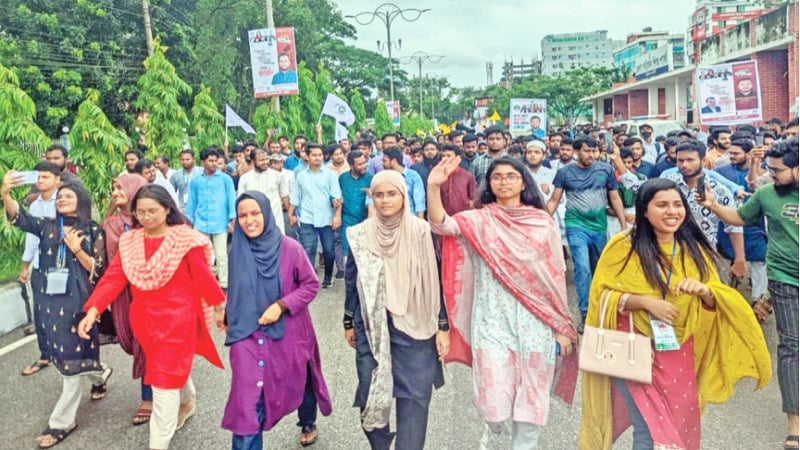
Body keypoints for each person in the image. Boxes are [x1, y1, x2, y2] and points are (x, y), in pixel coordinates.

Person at [579, 178, 772, 450]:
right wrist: (643, 301)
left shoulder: (692, 249)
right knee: (649, 427)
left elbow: (716, 299)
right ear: (644, 210)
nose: (672, 212)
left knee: (676, 425)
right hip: (630, 348)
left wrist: (704, 292)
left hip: (677, 351)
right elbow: (601, 296)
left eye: (677, 205)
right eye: (662, 205)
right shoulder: (622, 247)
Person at [428, 155, 578, 449]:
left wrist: (561, 325)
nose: (504, 181)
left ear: (524, 182)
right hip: (492, 319)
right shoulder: (480, 219)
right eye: (497, 177)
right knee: (494, 397)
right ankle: (492, 429)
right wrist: (433, 187)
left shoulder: (541, 222)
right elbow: (442, 226)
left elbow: (555, 275)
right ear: (489, 183)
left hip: (536, 319)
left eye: (511, 176)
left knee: (532, 393)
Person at [79, 184, 226, 450]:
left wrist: (219, 307)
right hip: (144, 321)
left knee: (163, 381)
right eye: (140, 212)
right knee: (164, 368)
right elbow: (114, 278)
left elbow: (204, 278)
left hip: (178, 321)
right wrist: (93, 309)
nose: (146, 217)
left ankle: (158, 443)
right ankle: (188, 400)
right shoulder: (131, 241)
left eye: (152, 211)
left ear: (168, 209)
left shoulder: (184, 239)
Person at [700, 138, 799, 450]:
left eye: (779, 170)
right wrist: (714, 205)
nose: (772, 175)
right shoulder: (767, 194)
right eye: (769, 168)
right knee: (791, 347)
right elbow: (740, 217)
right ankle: (794, 423)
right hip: (784, 279)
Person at [2, 174, 111, 449]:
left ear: (80, 201)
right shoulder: (48, 226)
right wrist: (5, 194)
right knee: (68, 352)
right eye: (60, 196)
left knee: (72, 355)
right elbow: (20, 218)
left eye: (68, 195)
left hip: (80, 302)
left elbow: (99, 272)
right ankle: (100, 375)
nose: (61, 198)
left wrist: (76, 249)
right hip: (52, 299)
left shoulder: (93, 230)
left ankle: (62, 422)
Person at [343, 170, 449, 450]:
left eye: (392, 194)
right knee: (371, 394)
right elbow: (353, 280)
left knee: (414, 397)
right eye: (379, 194)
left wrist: (442, 326)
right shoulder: (359, 234)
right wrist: (348, 320)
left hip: (415, 326)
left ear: (404, 196)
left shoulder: (420, 230)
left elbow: (436, 278)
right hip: (372, 326)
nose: (385, 200)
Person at [222, 192, 332, 449]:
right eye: (242, 216)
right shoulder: (236, 249)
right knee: (247, 402)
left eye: (255, 213)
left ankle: (307, 420)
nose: (249, 221)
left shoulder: (290, 248)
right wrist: (228, 313)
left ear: (267, 214)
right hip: (246, 335)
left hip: (289, 331)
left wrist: (281, 306)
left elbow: (310, 285)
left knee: (299, 378)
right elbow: (238, 288)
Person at [546, 137, 627, 332]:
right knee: (582, 268)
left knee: (600, 268)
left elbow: (614, 198)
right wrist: (539, 221)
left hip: (600, 227)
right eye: (586, 151)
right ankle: (585, 313)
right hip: (575, 225)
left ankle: (604, 309)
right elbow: (554, 200)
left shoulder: (605, 170)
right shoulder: (564, 173)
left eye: (594, 151)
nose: (591, 155)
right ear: (576, 152)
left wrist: (624, 225)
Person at [101, 173, 151, 426]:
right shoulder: (109, 224)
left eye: (121, 188)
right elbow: (102, 261)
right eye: (114, 188)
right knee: (131, 339)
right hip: (122, 293)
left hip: (148, 290)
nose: (116, 192)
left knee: (147, 342)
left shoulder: (151, 220)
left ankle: (149, 397)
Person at [19, 161, 60, 377]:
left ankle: (84, 364)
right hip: (39, 266)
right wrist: (26, 266)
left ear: (57, 179)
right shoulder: (35, 206)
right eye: (38, 177)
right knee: (40, 313)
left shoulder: (65, 201)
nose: (40, 181)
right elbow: (31, 239)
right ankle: (46, 354)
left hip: (60, 266)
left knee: (66, 312)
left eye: (45, 177)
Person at [289, 143, 342, 288]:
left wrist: (337, 216)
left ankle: (328, 277)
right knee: (308, 250)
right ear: (307, 156)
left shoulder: (330, 175)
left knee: (329, 250)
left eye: (320, 155)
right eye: (314, 155)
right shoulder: (301, 176)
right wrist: (291, 214)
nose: (317, 158)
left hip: (326, 219)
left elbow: (337, 197)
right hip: (307, 218)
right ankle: (309, 279)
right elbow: (295, 197)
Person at [185, 147, 237, 290]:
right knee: (201, 254)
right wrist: (189, 220)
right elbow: (192, 201)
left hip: (220, 222)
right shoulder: (196, 181)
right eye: (210, 161)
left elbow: (232, 198)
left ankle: (224, 283)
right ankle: (203, 282)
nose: (214, 164)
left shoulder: (225, 179)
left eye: (216, 161)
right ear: (203, 162)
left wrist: (232, 218)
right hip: (200, 222)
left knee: (221, 255)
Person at [237, 149, 289, 235]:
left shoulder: (278, 176)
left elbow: (285, 196)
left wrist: (290, 215)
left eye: (266, 159)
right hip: (254, 221)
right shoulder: (245, 179)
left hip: (275, 219)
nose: (265, 162)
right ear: (253, 161)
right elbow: (240, 200)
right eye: (261, 160)